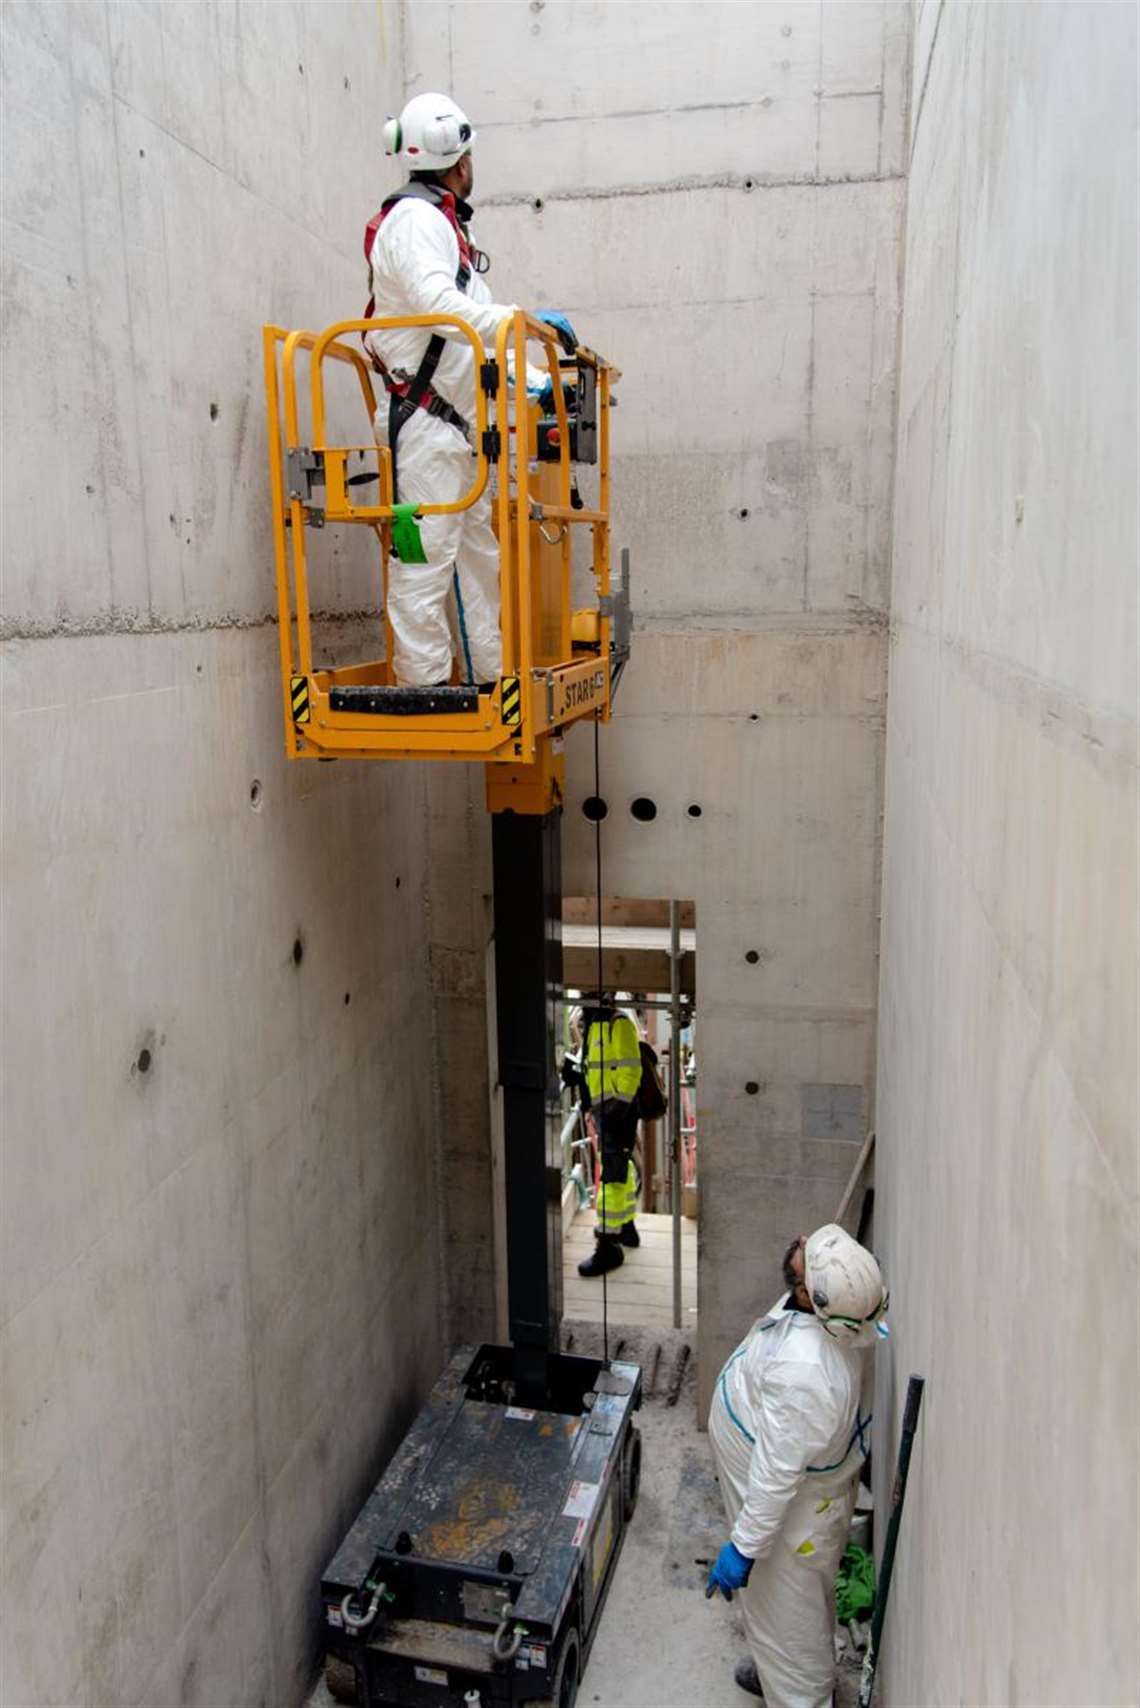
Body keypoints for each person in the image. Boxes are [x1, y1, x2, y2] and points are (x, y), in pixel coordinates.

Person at [363, 92, 576, 686]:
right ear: (459, 163)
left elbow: (478, 332)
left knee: (481, 562)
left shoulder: (444, 228)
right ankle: (425, 686)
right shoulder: (413, 223)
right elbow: (442, 309)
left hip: (460, 429)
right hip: (424, 428)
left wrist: (542, 386)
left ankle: (490, 677)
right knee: (423, 561)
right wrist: (517, 319)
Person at [705, 1224, 889, 1706]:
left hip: (788, 1519)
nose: (802, 1242)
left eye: (808, 1255)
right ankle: (783, 1672)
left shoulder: (807, 1377)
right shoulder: (834, 1312)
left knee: (787, 1614)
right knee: (797, 1612)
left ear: (811, 1297)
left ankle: (797, 1691)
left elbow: (775, 1476)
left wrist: (744, 1548)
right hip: (803, 1494)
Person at [561, 996, 642, 1276]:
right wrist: (588, 1103)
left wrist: (615, 1108)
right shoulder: (595, 1025)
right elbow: (595, 1069)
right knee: (619, 1169)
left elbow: (632, 1069)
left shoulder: (616, 1024)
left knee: (610, 1179)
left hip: (615, 1113)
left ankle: (608, 1246)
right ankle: (627, 1226)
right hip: (604, 1111)